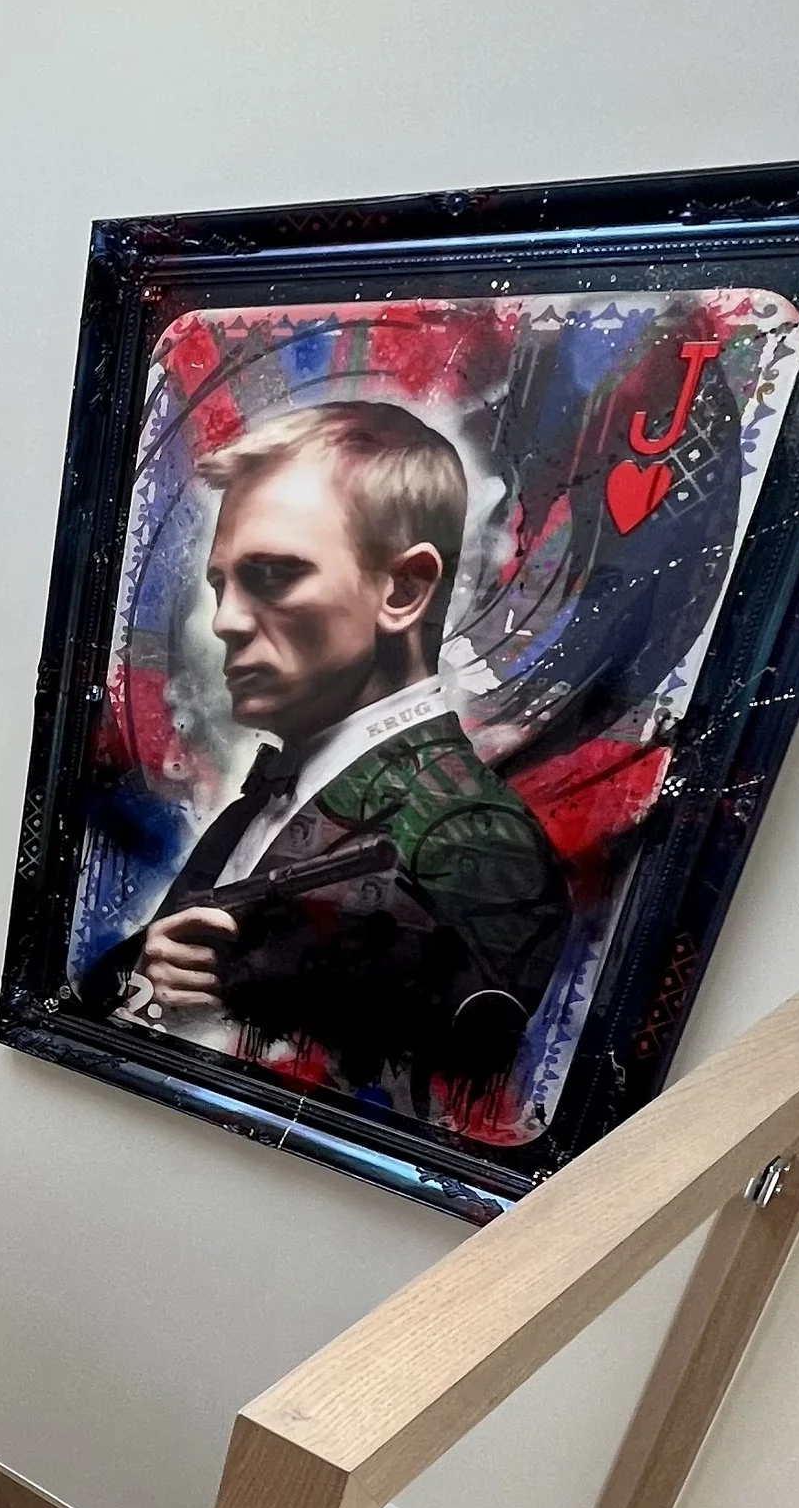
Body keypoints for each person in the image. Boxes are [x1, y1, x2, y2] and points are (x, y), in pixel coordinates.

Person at [79, 400, 567, 1100]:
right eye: (222, 584)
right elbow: (120, 984)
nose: (226, 622)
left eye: (273, 576)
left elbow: (459, 1098)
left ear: (403, 588)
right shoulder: (278, 785)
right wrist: (148, 975)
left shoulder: (475, 836)